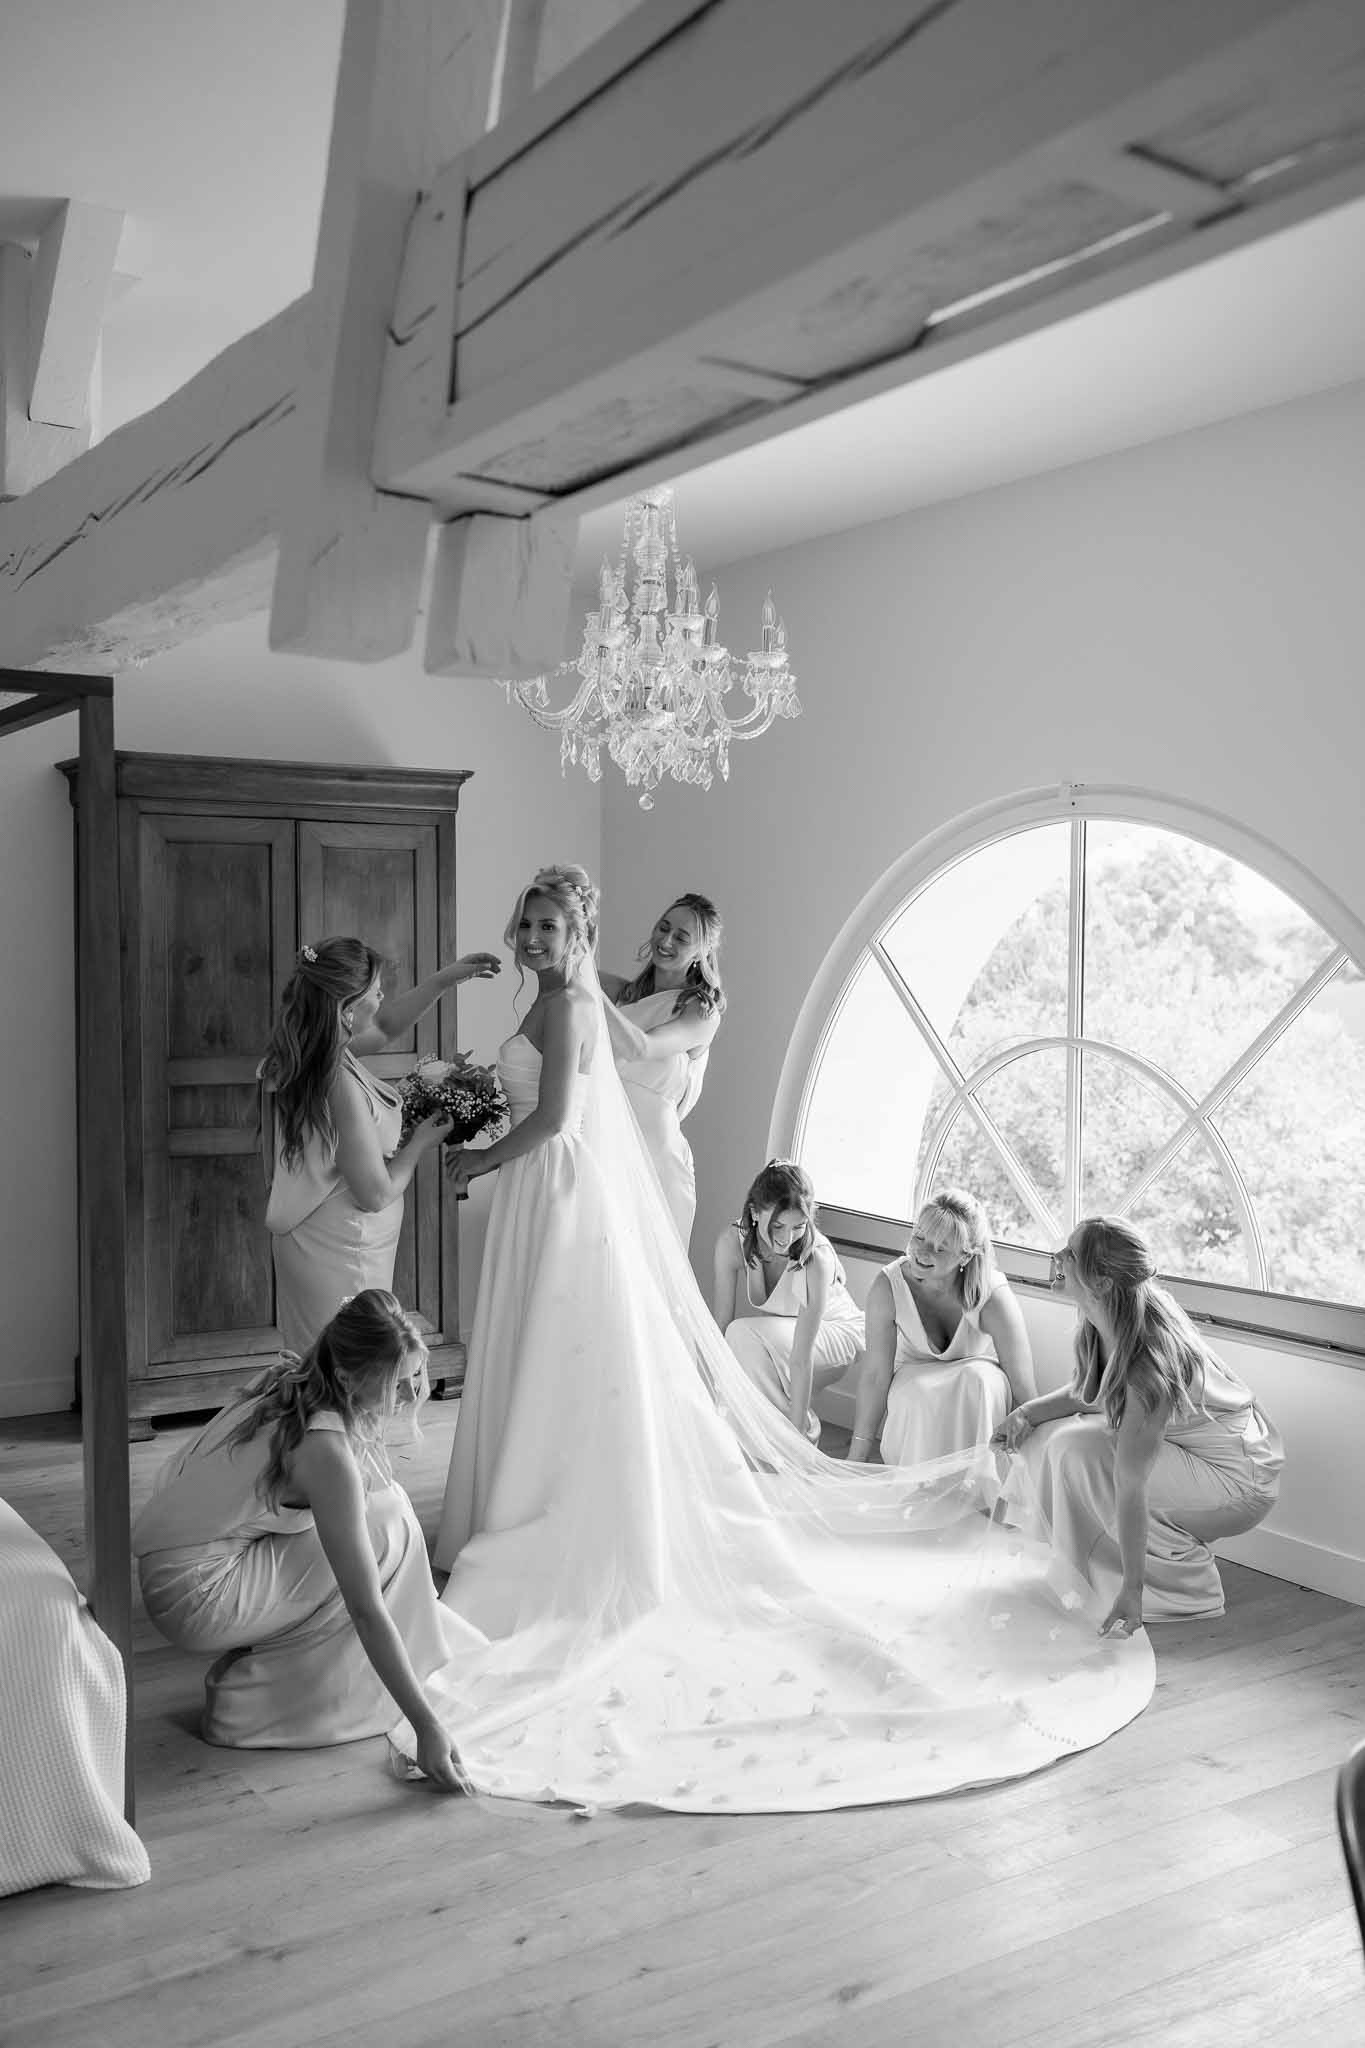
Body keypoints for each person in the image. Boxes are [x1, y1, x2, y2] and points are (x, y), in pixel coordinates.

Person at [398, 862, 1154, 1816]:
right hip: (568, 1180)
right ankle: (514, 1497)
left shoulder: (680, 1008)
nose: (539, 938)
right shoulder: (601, 992)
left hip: (597, 1176)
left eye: (554, 926)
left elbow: (585, 1080)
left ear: (698, 948)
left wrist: (560, 1015)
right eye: (531, 925)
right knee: (560, 1346)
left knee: (597, 1345)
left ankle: (568, 1509)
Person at [133, 1291, 480, 1784]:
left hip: (172, 1564)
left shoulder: (289, 1379)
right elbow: (364, 1608)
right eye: (394, 1384)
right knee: (388, 1527)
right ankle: (268, 1703)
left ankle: (352, 1660)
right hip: (196, 1595)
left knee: (385, 1508)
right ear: (347, 1378)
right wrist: (426, 1726)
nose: (406, 1397)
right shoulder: (325, 1454)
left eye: (411, 1380)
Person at [993, 1216, 1284, 1633]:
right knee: (1048, 1437)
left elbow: (1131, 1482)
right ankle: (1075, 1568)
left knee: (1082, 1451)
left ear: (1102, 1282)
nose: (1058, 1256)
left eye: (1071, 1254)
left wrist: (1133, 1589)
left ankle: (1177, 1589)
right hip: (1199, 1458)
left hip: (1239, 1484)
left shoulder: (1151, 1359)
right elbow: (1091, 1392)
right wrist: (1025, 1414)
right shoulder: (1106, 1320)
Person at [259, 936, 499, 1353]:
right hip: (342, 1251)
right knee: (347, 1369)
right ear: (347, 1007)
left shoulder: (312, 1052)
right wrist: (420, 1141)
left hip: (321, 1243)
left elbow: (386, 1027)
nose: (382, 997)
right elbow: (376, 1193)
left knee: (319, 1367)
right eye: (376, 991)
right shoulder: (337, 1081)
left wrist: (444, 980)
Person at [847, 1190, 1037, 1467]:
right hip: (913, 1375)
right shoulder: (887, 1286)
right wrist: (858, 1454)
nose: (922, 1252)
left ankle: (979, 1488)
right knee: (920, 1394)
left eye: (939, 1247)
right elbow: (875, 1375)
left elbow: (1022, 1384)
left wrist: (1033, 1463)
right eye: (919, 1237)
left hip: (976, 1372)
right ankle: (916, 1491)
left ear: (965, 1256)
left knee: (978, 1380)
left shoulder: (991, 1293)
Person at [599, 893, 725, 1246]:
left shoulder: (700, 1011)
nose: (666, 940)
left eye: (682, 937)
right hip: (604, 1143)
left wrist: (596, 1002)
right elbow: (567, 967)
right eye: (663, 927)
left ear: (702, 952)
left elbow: (643, 1046)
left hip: (656, 1160)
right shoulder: (623, 994)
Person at [712, 1159, 865, 1444]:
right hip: (793, 1332)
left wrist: (796, 1437)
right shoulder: (731, 1243)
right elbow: (720, 1327)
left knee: (744, 1335)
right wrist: (716, 1402)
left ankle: (801, 1437)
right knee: (738, 1340)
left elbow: (801, 1358)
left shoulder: (816, 1259)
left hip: (837, 1332)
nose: (787, 1239)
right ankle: (763, 1446)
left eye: (798, 1227)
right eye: (778, 1226)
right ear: (755, 1213)